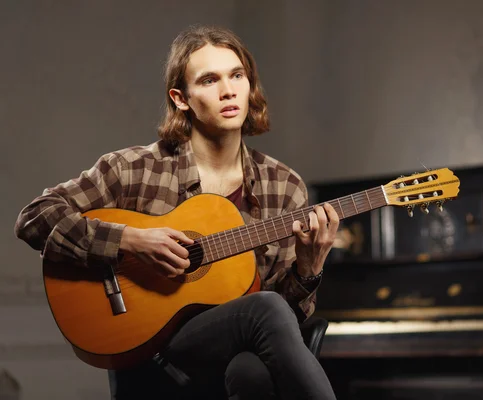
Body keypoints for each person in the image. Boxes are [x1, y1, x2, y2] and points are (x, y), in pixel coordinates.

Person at [14, 25, 339, 400]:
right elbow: (35, 217)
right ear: (181, 98)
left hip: (237, 346)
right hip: (154, 344)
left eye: (237, 75)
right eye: (209, 80)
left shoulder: (285, 186)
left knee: (251, 373)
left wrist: (308, 268)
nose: (228, 90)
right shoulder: (134, 169)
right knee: (262, 315)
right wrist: (129, 240)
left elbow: (283, 324)